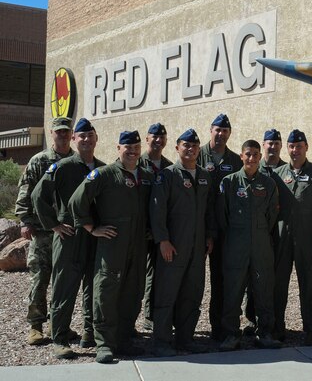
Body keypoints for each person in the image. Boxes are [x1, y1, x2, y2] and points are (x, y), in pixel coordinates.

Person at [68, 130, 154, 363]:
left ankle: (124, 339)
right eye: (128, 147)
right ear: (118, 148)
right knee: (106, 291)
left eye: (136, 147)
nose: (133, 151)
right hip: (112, 243)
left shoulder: (145, 176)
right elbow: (77, 201)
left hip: (137, 244)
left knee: (132, 291)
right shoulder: (104, 174)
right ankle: (104, 344)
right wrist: (90, 228)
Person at [31, 118, 104, 358]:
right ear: (75, 139)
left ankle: (88, 333)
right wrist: (53, 225)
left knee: (92, 288)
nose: (86, 140)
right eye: (81, 136)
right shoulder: (62, 167)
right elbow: (37, 195)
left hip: (94, 237)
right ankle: (59, 338)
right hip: (69, 237)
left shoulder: (102, 169)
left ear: (96, 139)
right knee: (64, 288)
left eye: (89, 135)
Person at [149, 129, 215, 357]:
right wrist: (163, 240)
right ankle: (162, 341)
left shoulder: (205, 176)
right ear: (177, 148)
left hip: (197, 248)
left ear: (199, 149)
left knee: (192, 292)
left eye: (194, 146)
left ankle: (185, 338)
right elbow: (157, 211)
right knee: (167, 293)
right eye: (185, 145)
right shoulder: (167, 176)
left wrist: (209, 236)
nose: (190, 149)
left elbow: (209, 212)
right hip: (173, 246)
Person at [15, 116, 74, 345]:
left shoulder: (76, 161)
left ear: (71, 134)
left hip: (67, 232)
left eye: (66, 131)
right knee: (40, 278)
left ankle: (59, 325)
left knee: (63, 281)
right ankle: (35, 326)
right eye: (59, 131)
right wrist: (25, 221)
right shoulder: (40, 160)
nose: (63, 135)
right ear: (52, 134)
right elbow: (26, 192)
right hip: (41, 231)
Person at [218, 140, 281, 351]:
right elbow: (222, 215)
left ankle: (265, 333)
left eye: (256, 154)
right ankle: (231, 335)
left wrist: (258, 232)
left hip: (261, 245)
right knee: (233, 290)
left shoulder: (269, 184)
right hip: (236, 244)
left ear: (260, 156)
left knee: (264, 289)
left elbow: (272, 215)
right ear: (241, 156)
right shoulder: (229, 182)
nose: (252, 158)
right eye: (248, 154)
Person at [273, 129, 312, 345]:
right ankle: (277, 328)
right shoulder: (278, 173)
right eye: (291, 146)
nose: (295, 150)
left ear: (306, 147)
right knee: (278, 284)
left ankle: (310, 330)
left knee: (309, 285)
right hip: (283, 238)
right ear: (287, 148)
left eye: (299, 146)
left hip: (309, 239)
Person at [197, 113, 243, 341]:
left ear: (229, 133)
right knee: (193, 278)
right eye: (218, 130)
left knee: (221, 278)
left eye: (225, 131)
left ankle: (219, 325)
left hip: (224, 230)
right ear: (211, 130)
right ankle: (183, 328)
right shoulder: (197, 154)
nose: (221, 134)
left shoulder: (235, 161)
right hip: (198, 227)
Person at [243, 128, 286, 332]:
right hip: (255, 234)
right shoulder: (252, 168)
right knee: (251, 278)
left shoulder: (286, 170)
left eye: (277, 143)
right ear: (264, 145)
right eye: (270, 142)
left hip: (278, 233)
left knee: (273, 278)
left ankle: (275, 321)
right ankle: (252, 319)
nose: (273, 146)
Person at [140, 122, 173, 331]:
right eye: (154, 137)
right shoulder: (136, 161)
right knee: (134, 275)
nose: (158, 140)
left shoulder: (169, 167)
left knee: (157, 272)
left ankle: (151, 316)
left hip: (160, 231)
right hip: (140, 229)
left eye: (162, 137)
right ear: (147, 139)